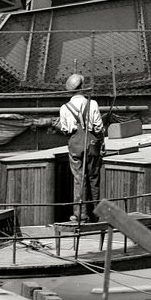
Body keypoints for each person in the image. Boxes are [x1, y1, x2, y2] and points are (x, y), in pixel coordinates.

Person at [57, 74, 105, 223]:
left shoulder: (64, 108)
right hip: (91, 144)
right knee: (93, 178)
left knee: (79, 179)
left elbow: (65, 130)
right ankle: (96, 213)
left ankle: (80, 214)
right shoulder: (93, 104)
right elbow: (98, 127)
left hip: (75, 144)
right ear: (82, 87)